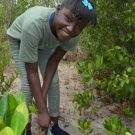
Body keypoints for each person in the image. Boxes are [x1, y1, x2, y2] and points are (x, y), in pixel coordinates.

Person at [7, 0, 97, 134]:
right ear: (58, 9)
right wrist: (42, 110)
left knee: (53, 81)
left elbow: (53, 62)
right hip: (20, 37)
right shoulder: (34, 24)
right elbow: (32, 72)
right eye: (68, 19)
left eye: (79, 26)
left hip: (43, 42)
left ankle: (54, 125)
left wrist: (41, 101)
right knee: (27, 83)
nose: (70, 28)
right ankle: (25, 127)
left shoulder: (73, 35)